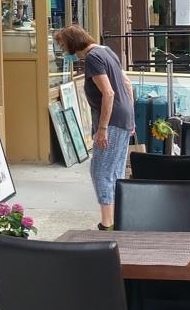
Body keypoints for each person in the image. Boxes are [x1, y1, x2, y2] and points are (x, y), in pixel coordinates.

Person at [55, 25, 135, 230]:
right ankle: (117, 218)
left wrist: (102, 129)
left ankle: (107, 223)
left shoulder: (93, 58)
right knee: (115, 170)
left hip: (112, 121)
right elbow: (128, 85)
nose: (63, 50)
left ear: (72, 43)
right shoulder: (106, 51)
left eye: (63, 45)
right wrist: (131, 117)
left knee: (101, 171)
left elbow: (108, 93)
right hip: (123, 117)